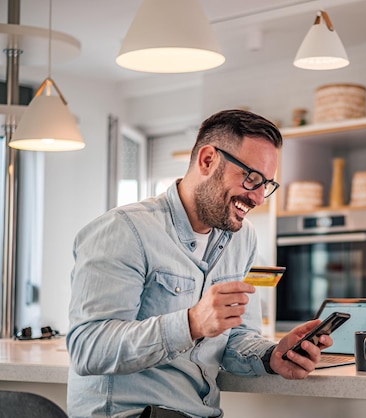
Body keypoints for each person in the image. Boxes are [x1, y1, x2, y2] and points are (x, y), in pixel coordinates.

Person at [66, 109, 332, 418]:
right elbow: (88, 349)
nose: (259, 198)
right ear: (207, 160)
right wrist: (191, 323)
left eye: (267, 184)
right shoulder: (124, 230)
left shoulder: (242, 238)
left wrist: (271, 355)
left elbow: (237, 338)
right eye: (252, 179)